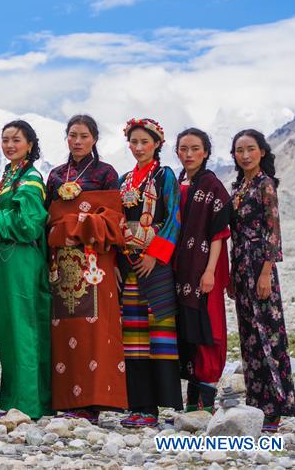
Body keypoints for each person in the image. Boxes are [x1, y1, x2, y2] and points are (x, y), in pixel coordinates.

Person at [45, 114, 127, 423]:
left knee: (95, 330)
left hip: (96, 262)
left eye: (84, 136)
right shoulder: (55, 176)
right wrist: (69, 223)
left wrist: (73, 223)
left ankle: (94, 400)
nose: (77, 141)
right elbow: (48, 219)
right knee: (64, 329)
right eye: (72, 135)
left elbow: (114, 218)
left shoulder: (106, 173)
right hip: (63, 263)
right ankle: (68, 400)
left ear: (94, 139)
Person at [229, 129, 295, 432]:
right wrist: (232, 272)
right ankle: (256, 402)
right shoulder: (238, 187)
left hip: (260, 265)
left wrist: (267, 271)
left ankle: (276, 407)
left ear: (262, 152)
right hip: (240, 265)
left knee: (267, 332)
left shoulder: (265, 184)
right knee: (248, 335)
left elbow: (273, 231)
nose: (245, 155)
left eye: (250, 149)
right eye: (239, 150)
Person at [118, 118, 182, 428]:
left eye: (145, 142)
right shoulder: (124, 180)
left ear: (157, 144)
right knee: (133, 337)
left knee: (159, 335)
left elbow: (173, 218)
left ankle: (157, 407)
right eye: (134, 142)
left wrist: (154, 256)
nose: (139, 147)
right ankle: (139, 406)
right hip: (129, 263)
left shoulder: (164, 175)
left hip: (155, 265)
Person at [0, 120, 50, 420]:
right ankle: (13, 400)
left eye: (16, 140)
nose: (10, 145)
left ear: (29, 144)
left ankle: (29, 402)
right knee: (9, 328)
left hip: (22, 258)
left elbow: (29, 224)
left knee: (23, 326)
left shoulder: (31, 178)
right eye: (5, 140)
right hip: (6, 258)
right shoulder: (9, 176)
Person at [172, 128, 230, 412]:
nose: (189, 154)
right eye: (184, 149)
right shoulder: (178, 182)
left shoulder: (212, 185)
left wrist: (210, 272)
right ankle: (192, 403)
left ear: (206, 152)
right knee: (188, 327)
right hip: (182, 269)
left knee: (208, 325)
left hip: (205, 267)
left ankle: (206, 401)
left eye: (195, 148)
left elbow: (218, 233)